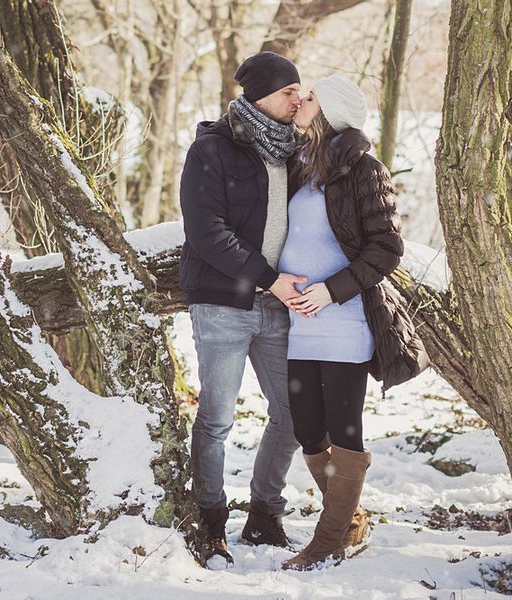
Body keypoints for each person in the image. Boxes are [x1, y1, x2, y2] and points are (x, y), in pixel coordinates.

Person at [277, 75, 429, 571]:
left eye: (311, 97)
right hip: (302, 320)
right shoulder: (301, 165)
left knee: (344, 430)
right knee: (307, 427)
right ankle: (351, 518)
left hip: (344, 319)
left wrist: (330, 290)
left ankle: (328, 541)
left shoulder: (366, 169)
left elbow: (387, 248)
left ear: (332, 111)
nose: (301, 101)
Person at [178, 51, 307, 566]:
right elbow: (206, 234)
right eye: (287, 92)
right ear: (259, 98)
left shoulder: (296, 151)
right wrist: (272, 280)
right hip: (223, 304)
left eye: (300, 90)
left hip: (278, 307)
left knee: (294, 415)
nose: (298, 99)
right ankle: (211, 522)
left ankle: (264, 516)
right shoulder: (213, 149)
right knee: (216, 418)